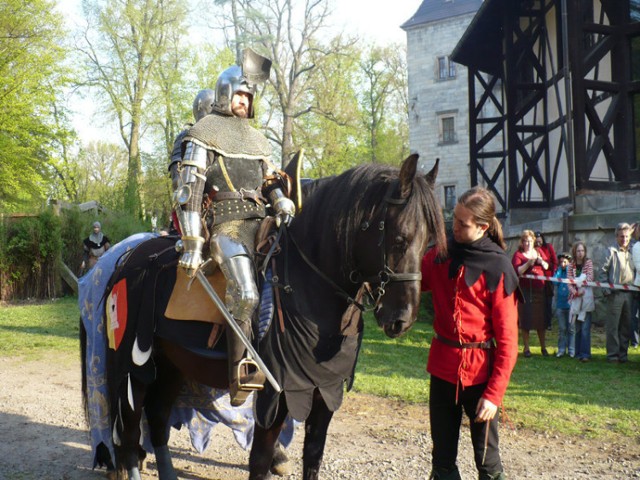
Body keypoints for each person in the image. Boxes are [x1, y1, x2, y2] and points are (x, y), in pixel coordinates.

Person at [171, 48, 295, 406]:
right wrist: (193, 242)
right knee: (246, 294)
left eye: (248, 95)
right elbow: (188, 191)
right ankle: (241, 375)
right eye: (240, 94)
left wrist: (281, 199)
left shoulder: (257, 139)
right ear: (226, 95)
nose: (245, 100)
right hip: (227, 224)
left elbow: (270, 179)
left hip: (263, 221)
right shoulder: (203, 132)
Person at [421, 187, 519, 480]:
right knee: (442, 462)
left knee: (488, 466)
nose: (454, 227)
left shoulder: (498, 266)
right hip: (442, 370)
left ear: (483, 227)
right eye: (454, 219)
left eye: (462, 223)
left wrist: (493, 395)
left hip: (481, 377)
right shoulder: (439, 255)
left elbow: (508, 342)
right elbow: (412, 279)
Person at [598, 222, 635, 363]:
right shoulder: (611, 251)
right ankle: (612, 355)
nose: (624, 239)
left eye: (626, 237)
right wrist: (606, 290)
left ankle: (623, 354)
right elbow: (602, 272)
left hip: (629, 294)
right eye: (621, 237)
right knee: (613, 326)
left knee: (626, 326)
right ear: (616, 237)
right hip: (615, 294)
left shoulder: (632, 251)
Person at [512, 229, 550, 357]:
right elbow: (518, 271)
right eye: (525, 241)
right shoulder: (518, 255)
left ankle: (543, 348)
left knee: (541, 320)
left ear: (533, 241)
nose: (527, 244)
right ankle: (526, 348)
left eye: (529, 241)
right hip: (525, 291)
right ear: (522, 243)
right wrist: (528, 263)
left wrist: (541, 262)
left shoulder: (539, 252)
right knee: (526, 320)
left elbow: (547, 267)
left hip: (539, 291)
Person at [567, 241, 595, 363]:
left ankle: (585, 354)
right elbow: (569, 281)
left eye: (582, 251)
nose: (580, 253)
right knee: (576, 327)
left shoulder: (588, 263)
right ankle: (578, 352)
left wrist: (578, 282)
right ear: (574, 252)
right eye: (578, 251)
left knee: (585, 327)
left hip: (586, 298)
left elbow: (589, 278)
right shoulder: (571, 265)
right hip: (575, 299)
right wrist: (575, 292)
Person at [535, 231, 557, 331]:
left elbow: (555, 262)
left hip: (548, 278)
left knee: (548, 302)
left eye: (540, 241)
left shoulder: (548, 247)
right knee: (539, 302)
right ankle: (539, 322)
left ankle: (548, 323)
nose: (539, 242)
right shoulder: (533, 250)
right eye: (537, 241)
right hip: (537, 279)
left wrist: (553, 274)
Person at [554, 252, 574, 357]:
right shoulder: (559, 272)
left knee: (571, 328)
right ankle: (561, 349)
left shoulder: (570, 272)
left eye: (565, 262)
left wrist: (567, 269)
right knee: (562, 329)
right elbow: (555, 282)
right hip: (560, 305)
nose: (563, 264)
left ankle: (571, 349)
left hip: (570, 305)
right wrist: (558, 271)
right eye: (561, 262)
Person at [630, 222, 640, 348]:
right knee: (635, 315)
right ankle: (635, 340)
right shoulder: (637, 246)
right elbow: (639, 266)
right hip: (638, 286)